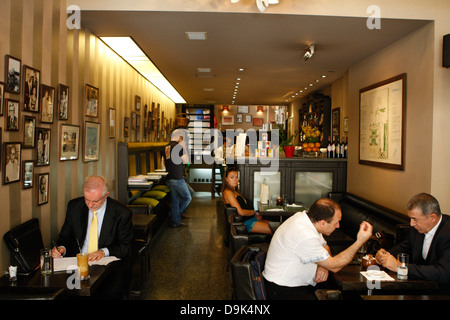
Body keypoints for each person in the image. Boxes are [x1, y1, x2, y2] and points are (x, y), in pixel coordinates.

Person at [263, 198, 373, 299]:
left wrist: (323, 265)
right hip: (283, 288)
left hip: (297, 283)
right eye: (336, 222)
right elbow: (335, 266)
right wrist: (360, 241)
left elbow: (325, 246)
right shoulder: (305, 234)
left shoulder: (306, 219)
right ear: (323, 223)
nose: (338, 226)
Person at [52, 176, 134, 298]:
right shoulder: (74, 206)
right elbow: (65, 238)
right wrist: (62, 249)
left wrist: (103, 252)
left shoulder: (121, 213)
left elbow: (126, 246)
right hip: (77, 263)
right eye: (87, 199)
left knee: (108, 292)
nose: (90, 205)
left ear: (106, 195)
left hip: (108, 266)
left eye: (95, 201)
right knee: (61, 291)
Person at [376, 193, 450, 291]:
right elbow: (405, 246)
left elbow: (443, 273)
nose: (411, 224)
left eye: (414, 219)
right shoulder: (418, 228)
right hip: (419, 287)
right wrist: (385, 255)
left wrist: (400, 267)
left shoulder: (447, 233)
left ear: (432, 217)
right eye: (410, 218)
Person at [222, 167, 272, 235]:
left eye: (237, 177)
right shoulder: (228, 192)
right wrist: (254, 213)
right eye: (232, 177)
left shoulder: (234, 191)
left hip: (250, 219)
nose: (235, 180)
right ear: (226, 179)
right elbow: (241, 212)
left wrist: (254, 215)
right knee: (274, 229)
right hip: (245, 223)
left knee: (277, 227)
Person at [163, 129, 192, 228]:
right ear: (179, 136)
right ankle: (175, 216)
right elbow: (187, 161)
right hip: (177, 177)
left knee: (175, 200)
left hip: (169, 177)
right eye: (182, 137)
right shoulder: (178, 147)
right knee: (188, 197)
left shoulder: (166, 147)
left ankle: (176, 221)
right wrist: (184, 146)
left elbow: (164, 162)